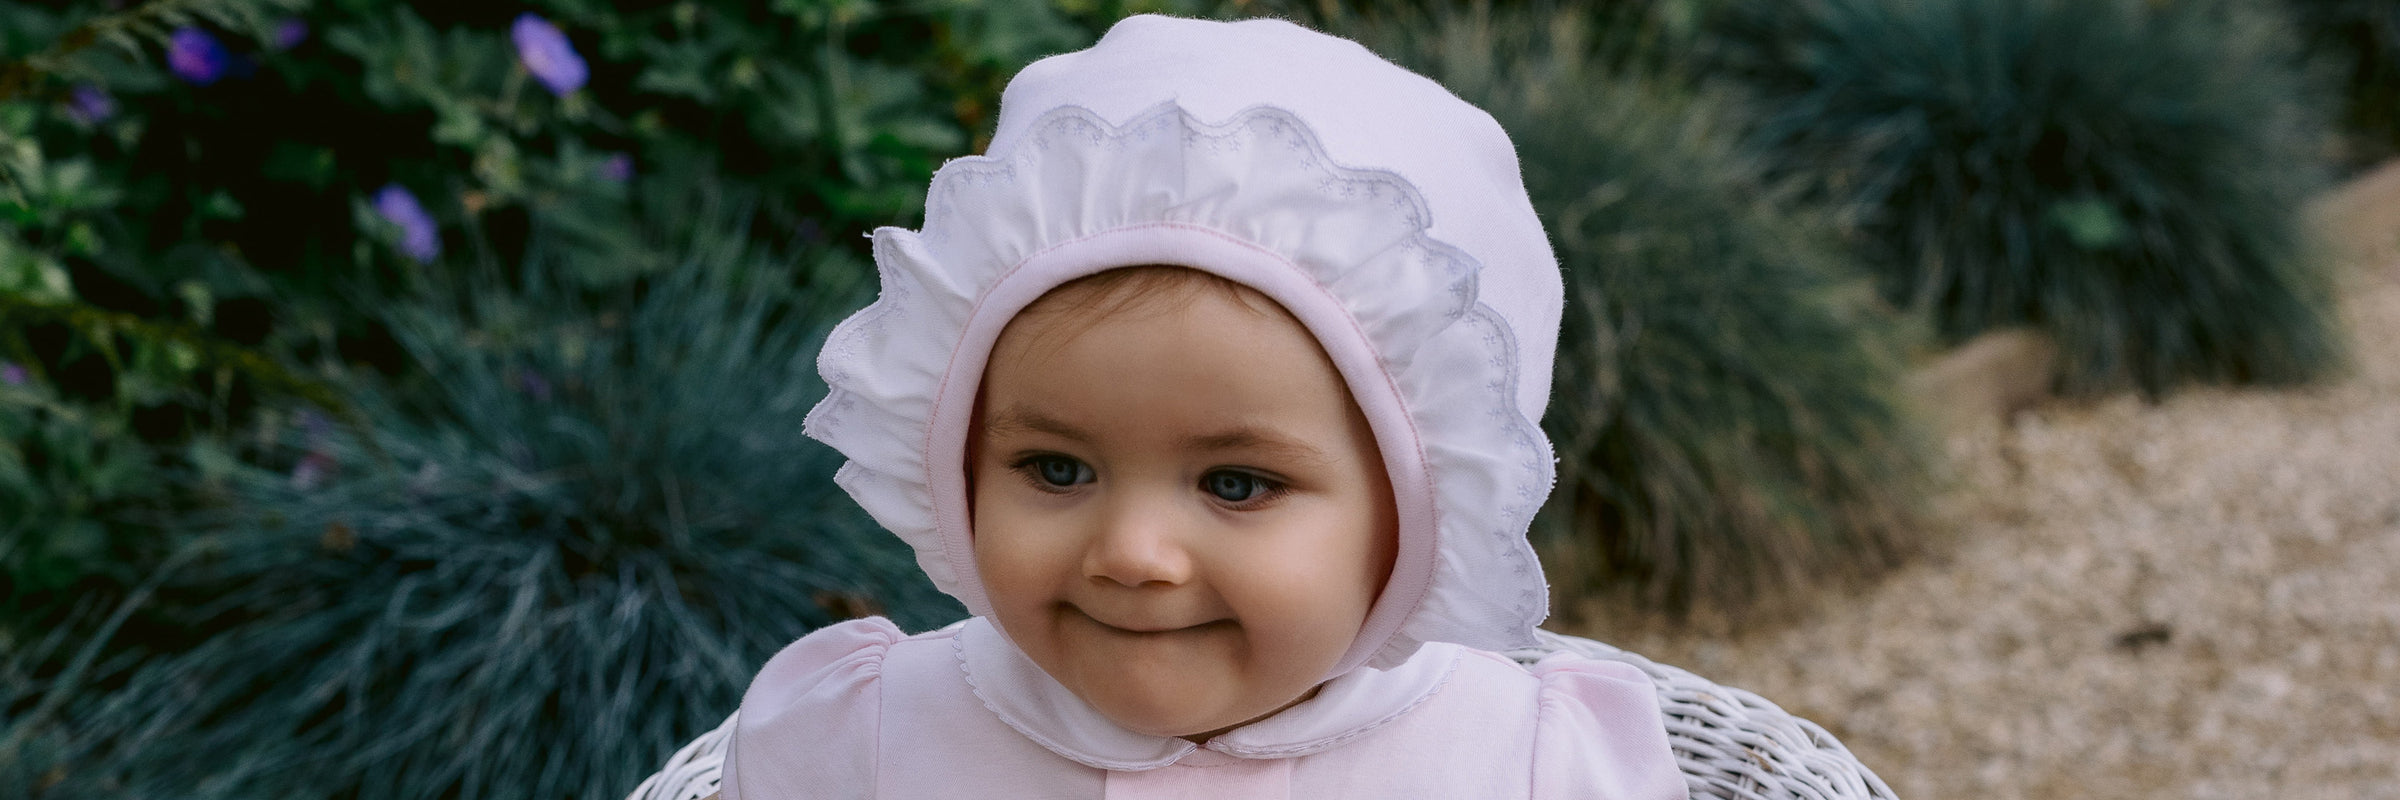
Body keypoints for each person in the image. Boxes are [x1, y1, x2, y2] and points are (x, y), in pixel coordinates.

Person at [722, 14, 1687, 799]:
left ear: (1420, 511)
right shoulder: (861, 746)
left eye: (1236, 483)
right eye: (1056, 468)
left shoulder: (1528, 767)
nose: (1133, 554)